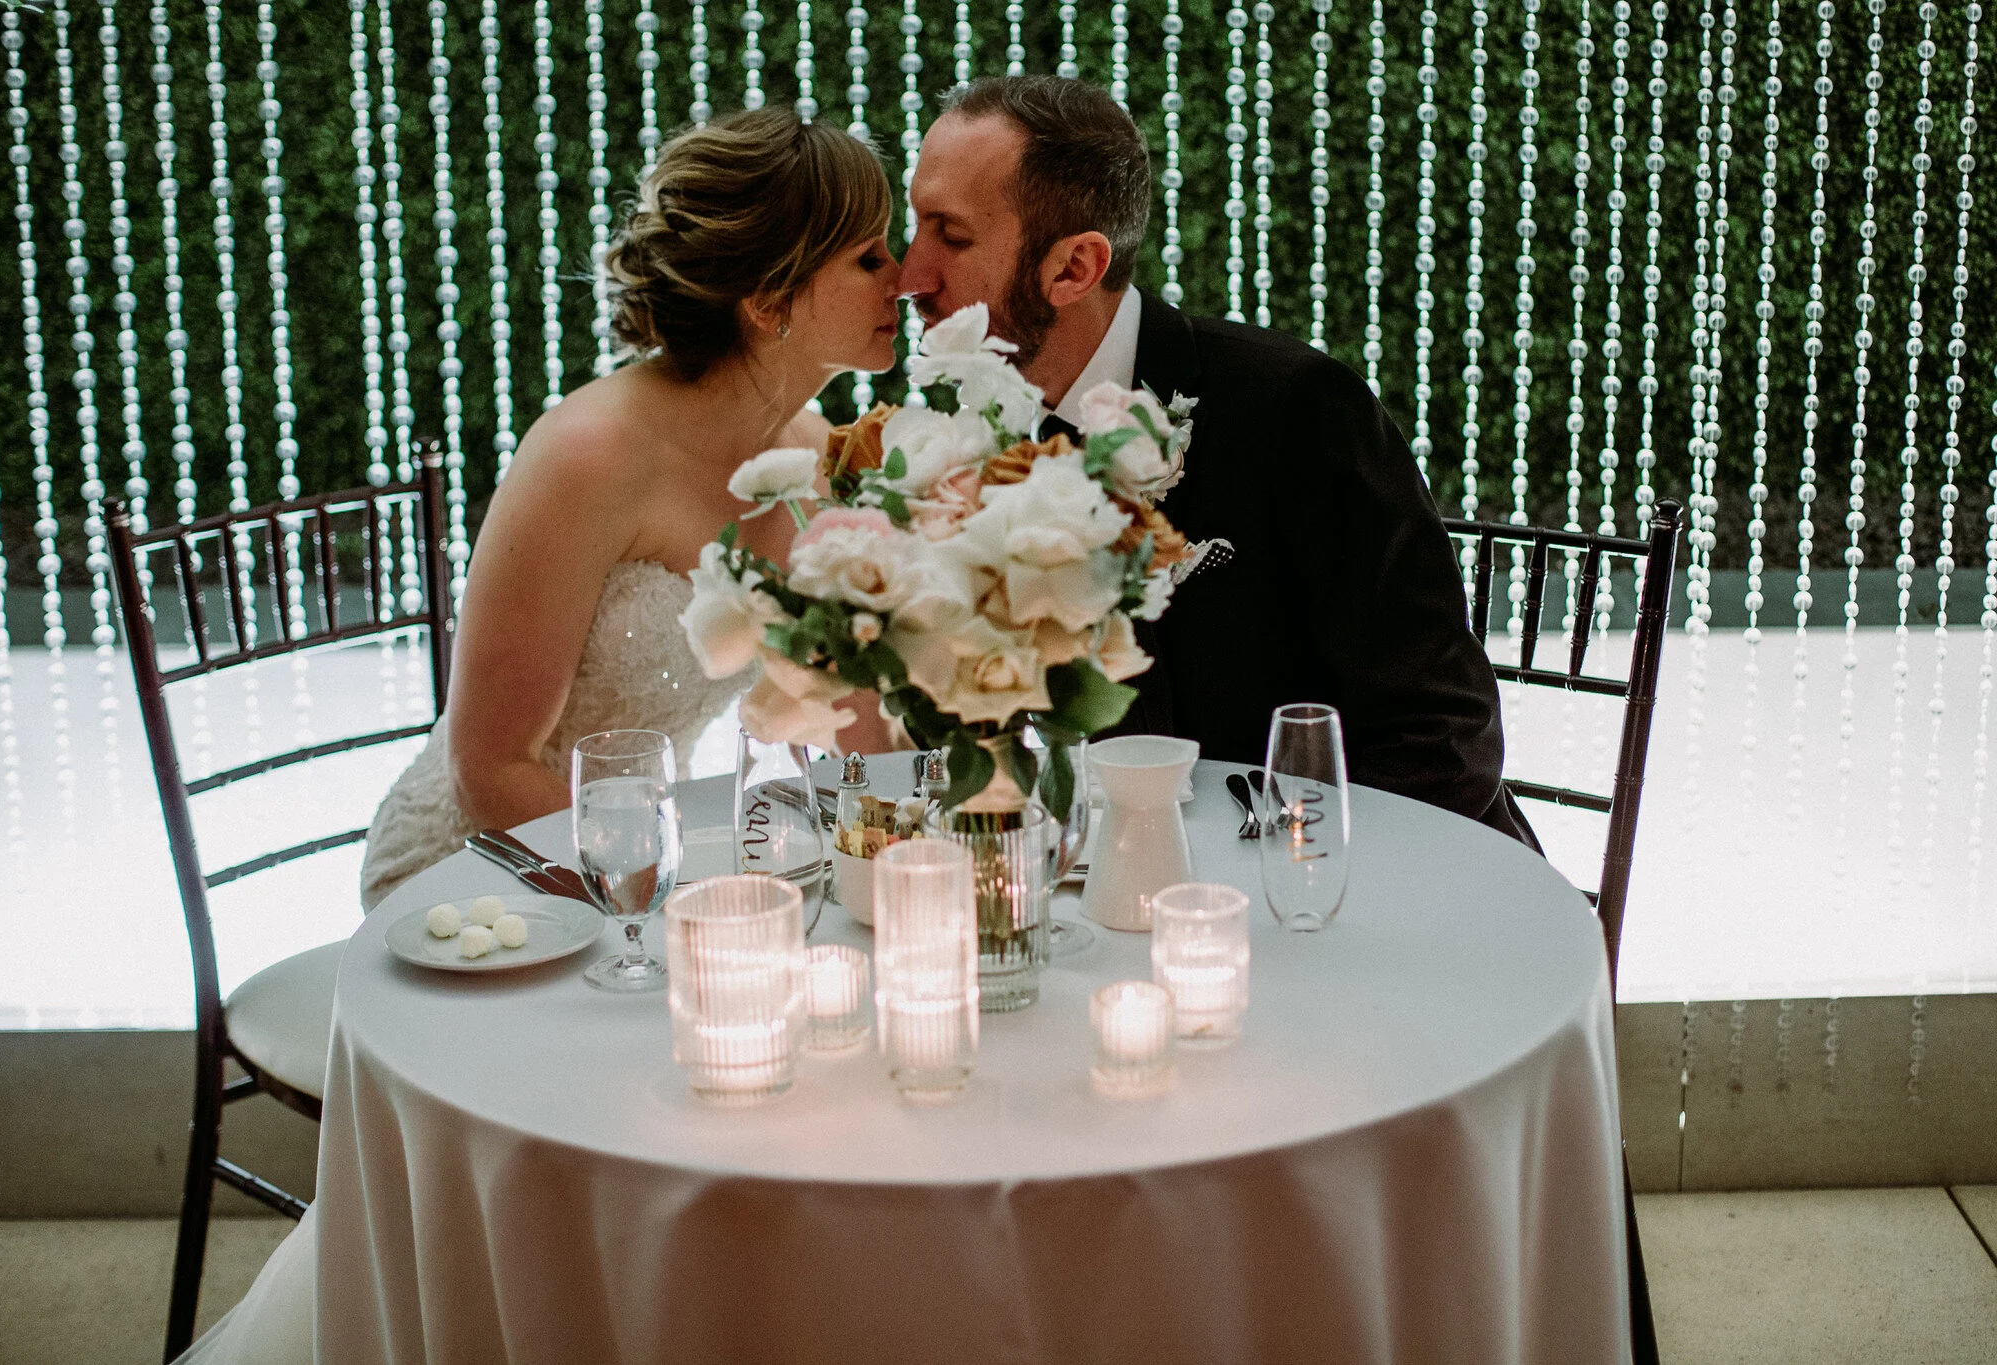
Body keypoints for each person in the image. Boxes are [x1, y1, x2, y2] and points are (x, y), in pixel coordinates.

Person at [897, 75, 1537, 847]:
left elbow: (1441, 736)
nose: (911, 276)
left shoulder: (1296, 409)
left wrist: (1280, 885)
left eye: (952, 236)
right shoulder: (983, 434)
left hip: (1344, 884)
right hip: (1121, 890)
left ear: (1075, 268)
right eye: (917, 225)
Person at [358, 108, 902, 910]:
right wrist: (667, 905)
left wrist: (898, 854)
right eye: (869, 256)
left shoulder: (821, 462)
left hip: (653, 859)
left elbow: (853, 719)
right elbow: (491, 768)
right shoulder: (590, 455)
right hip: (484, 877)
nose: (906, 275)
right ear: (769, 299)